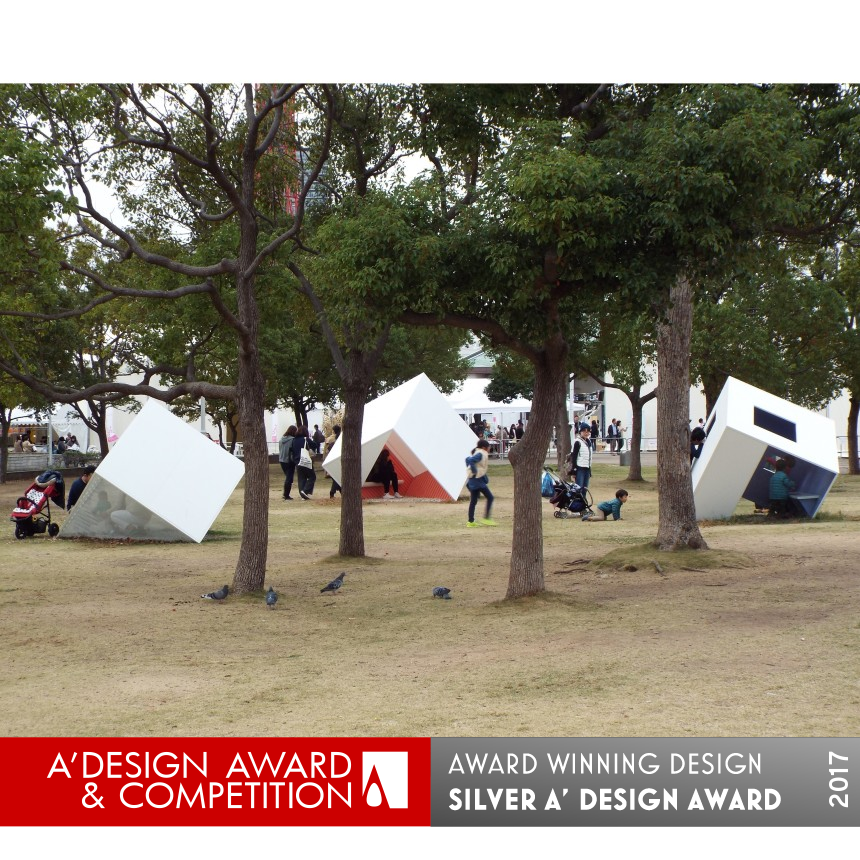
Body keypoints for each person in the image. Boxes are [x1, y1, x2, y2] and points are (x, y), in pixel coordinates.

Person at [465, 438, 496, 527]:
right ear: (484, 447)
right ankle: (486, 518)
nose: (489, 448)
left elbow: (468, 459)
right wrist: (474, 471)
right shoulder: (481, 453)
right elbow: (470, 460)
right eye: (488, 447)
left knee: (473, 501)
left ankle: (471, 522)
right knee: (490, 497)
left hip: (473, 479)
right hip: (477, 480)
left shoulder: (478, 452)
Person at [293, 426, 316, 500]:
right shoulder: (306, 439)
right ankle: (305, 491)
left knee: (301, 478)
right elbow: (314, 445)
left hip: (297, 461)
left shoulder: (294, 440)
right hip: (305, 460)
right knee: (312, 476)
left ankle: (302, 493)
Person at [279, 426, 297, 500]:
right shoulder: (293, 440)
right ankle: (286, 495)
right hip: (289, 460)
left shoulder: (281, 439)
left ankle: (286, 494)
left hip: (282, 460)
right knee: (289, 478)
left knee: (288, 477)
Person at [325, 424, 342, 498]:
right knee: (337, 477)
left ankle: (338, 491)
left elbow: (326, 451)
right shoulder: (339, 443)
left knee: (337, 477)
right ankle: (333, 492)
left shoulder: (330, 441)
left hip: (332, 461)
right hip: (338, 462)